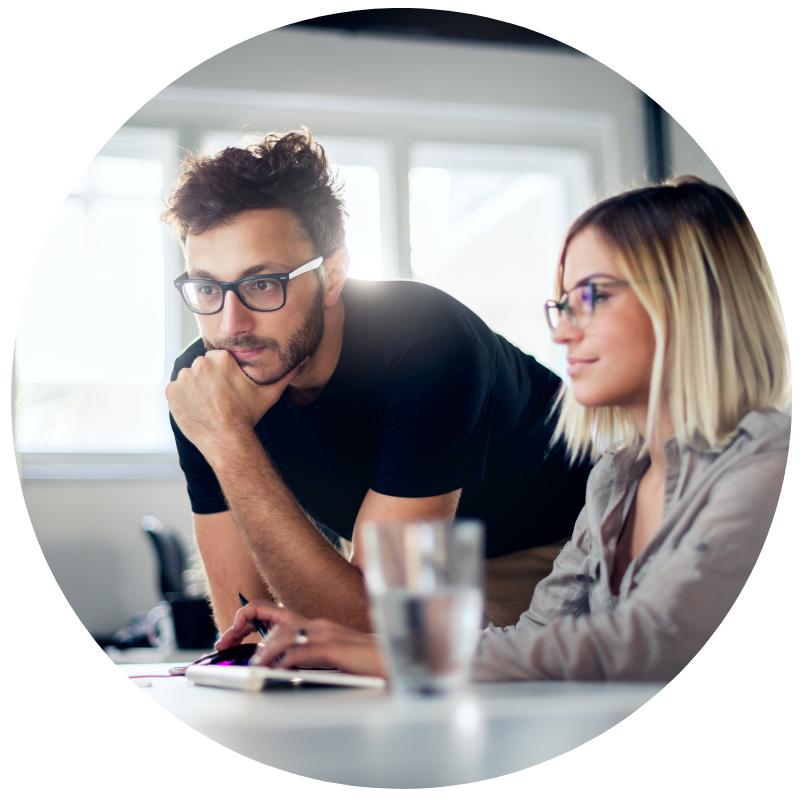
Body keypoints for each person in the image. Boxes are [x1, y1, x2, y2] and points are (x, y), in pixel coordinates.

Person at [216, 176, 791, 682]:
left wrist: (392, 656)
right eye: (563, 304)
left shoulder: (766, 466)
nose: (563, 331)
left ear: (691, 303)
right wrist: (343, 643)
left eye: (593, 296)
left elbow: (649, 641)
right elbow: (535, 632)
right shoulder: (618, 478)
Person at [163, 129, 591, 637]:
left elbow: (378, 629)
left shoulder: (426, 346)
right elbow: (246, 623)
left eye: (262, 283)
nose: (231, 324)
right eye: (208, 288)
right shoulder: (204, 382)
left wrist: (230, 443)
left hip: (545, 548)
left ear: (334, 276)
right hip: (392, 555)